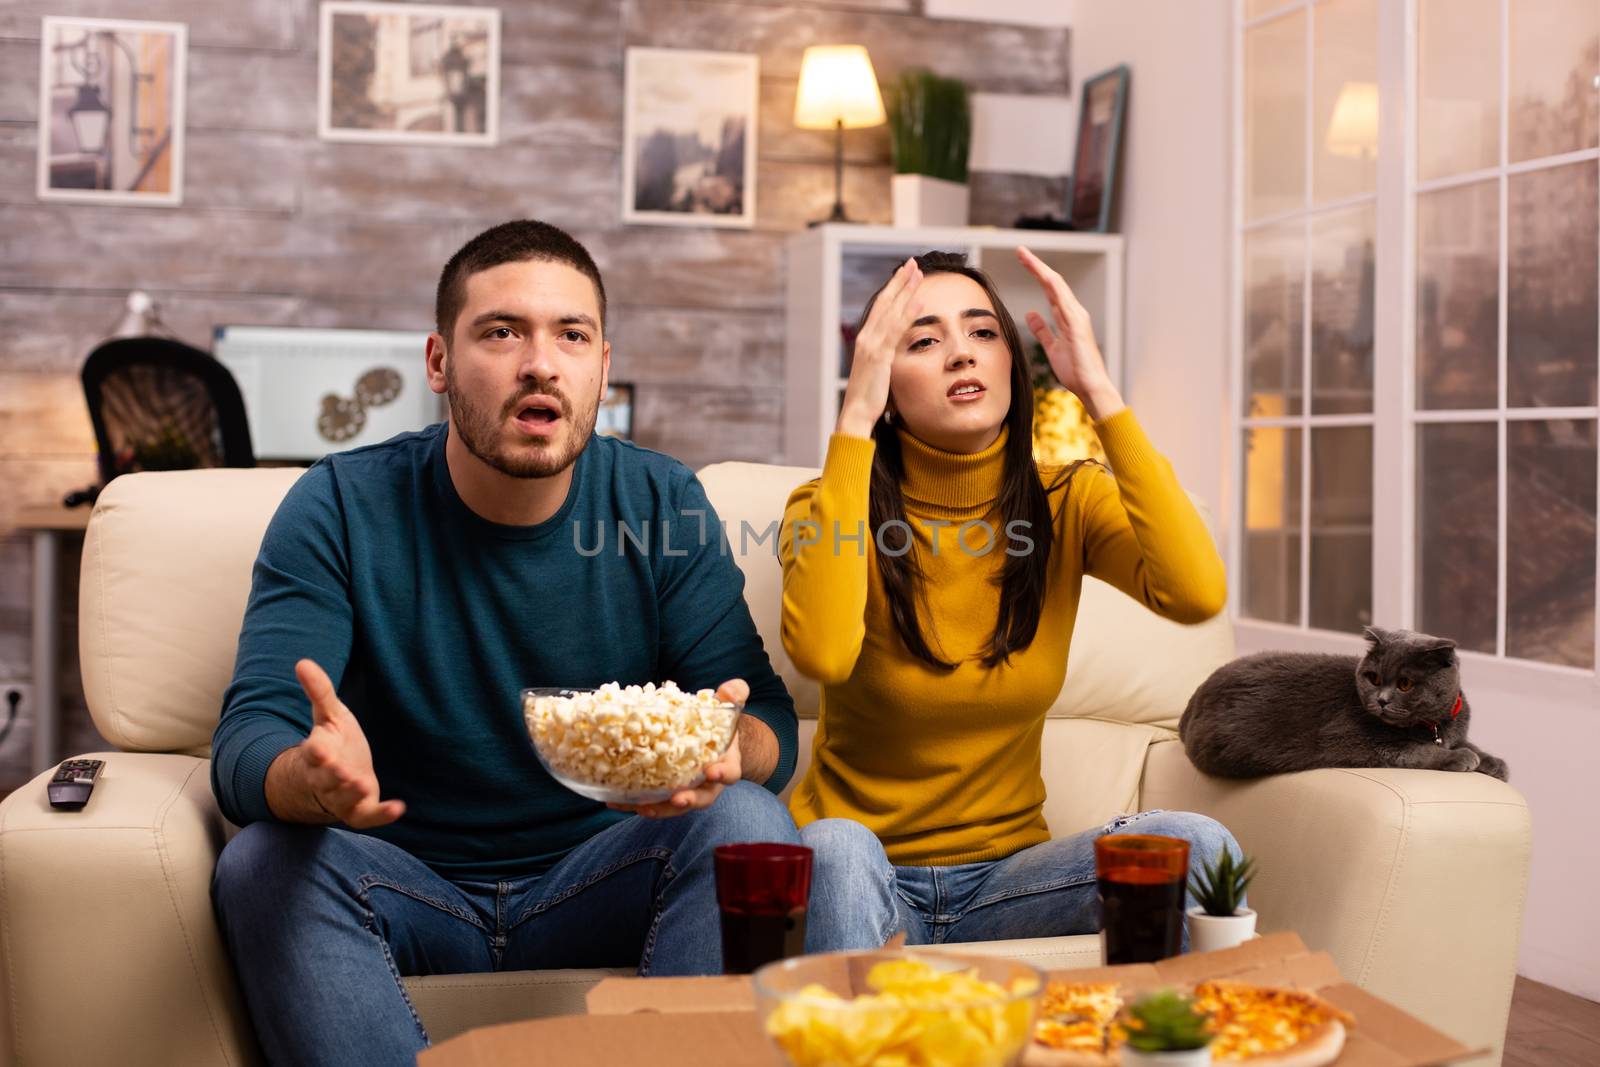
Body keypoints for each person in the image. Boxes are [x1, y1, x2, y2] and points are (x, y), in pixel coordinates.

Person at [209, 219, 802, 1067]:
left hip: (600, 880)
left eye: (572, 334)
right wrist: (305, 779)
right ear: (438, 362)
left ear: (601, 363)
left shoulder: (659, 503)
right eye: (501, 331)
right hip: (404, 883)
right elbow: (246, 742)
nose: (540, 362)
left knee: (746, 816)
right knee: (264, 860)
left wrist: (726, 747)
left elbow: (770, 720)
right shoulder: (340, 505)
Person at [781, 248, 1239, 950]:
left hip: (1011, 883)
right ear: (883, 380)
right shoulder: (825, 506)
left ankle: (1165, 1049)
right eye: (924, 340)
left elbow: (1197, 589)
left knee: (1197, 842)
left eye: (983, 332)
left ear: (1011, 363)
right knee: (837, 848)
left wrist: (1101, 394)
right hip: (866, 875)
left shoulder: (1069, 499)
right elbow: (823, 650)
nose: (961, 354)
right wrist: (853, 421)